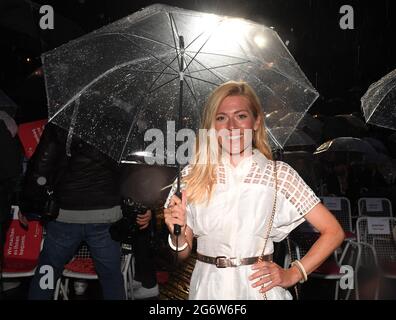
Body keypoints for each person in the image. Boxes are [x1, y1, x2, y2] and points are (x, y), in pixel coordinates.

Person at [164, 81, 345, 300]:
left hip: (259, 290)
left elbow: (333, 232)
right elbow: (181, 254)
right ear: (212, 126)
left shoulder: (279, 175)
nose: (231, 126)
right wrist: (178, 234)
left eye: (241, 116)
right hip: (208, 290)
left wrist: (294, 273)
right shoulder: (192, 176)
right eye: (221, 117)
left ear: (256, 121)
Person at [20, 123, 126, 300]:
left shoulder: (64, 118)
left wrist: (28, 205)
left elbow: (42, 165)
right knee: (111, 278)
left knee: (48, 270)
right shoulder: (121, 121)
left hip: (64, 214)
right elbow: (130, 168)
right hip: (106, 214)